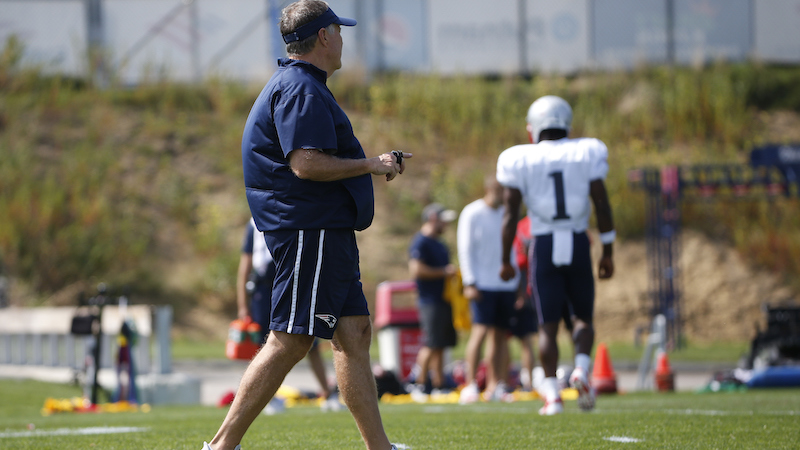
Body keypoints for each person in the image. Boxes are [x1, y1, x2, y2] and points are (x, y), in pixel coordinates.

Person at [204, 2, 411, 449]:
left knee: (353, 334)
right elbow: (306, 164)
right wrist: (372, 164)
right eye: (338, 30)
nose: (342, 39)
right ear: (322, 37)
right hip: (309, 230)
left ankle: (381, 448)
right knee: (291, 340)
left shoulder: (303, 85)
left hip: (323, 231)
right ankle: (221, 445)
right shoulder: (302, 88)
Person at [497, 95, 615, 416]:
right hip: (577, 239)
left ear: (531, 130)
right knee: (582, 318)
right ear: (568, 125)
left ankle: (553, 397)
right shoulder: (586, 151)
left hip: (544, 243)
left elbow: (510, 214)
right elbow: (601, 205)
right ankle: (580, 369)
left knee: (547, 326)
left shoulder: (520, 158)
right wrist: (608, 251)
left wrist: (506, 259)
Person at [236, 217, 343, 412]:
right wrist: (243, 304)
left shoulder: (289, 211)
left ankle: (328, 394)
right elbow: (246, 264)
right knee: (264, 345)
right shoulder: (254, 223)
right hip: (263, 287)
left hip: (290, 280)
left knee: (309, 338)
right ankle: (268, 398)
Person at [456, 175, 519, 404]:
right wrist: (469, 282)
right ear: (491, 188)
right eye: (502, 190)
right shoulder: (471, 212)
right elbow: (465, 249)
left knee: (501, 336)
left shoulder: (507, 213)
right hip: (481, 284)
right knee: (480, 333)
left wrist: (516, 281)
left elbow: (512, 249)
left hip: (504, 284)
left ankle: (497, 385)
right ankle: (471, 384)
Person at [407, 203, 458, 402]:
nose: (446, 224)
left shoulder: (439, 243)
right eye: (443, 219)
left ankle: (439, 384)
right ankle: (418, 384)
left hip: (443, 299)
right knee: (431, 343)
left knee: (440, 344)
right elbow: (416, 270)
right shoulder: (421, 242)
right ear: (433, 218)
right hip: (430, 300)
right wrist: (444, 272)